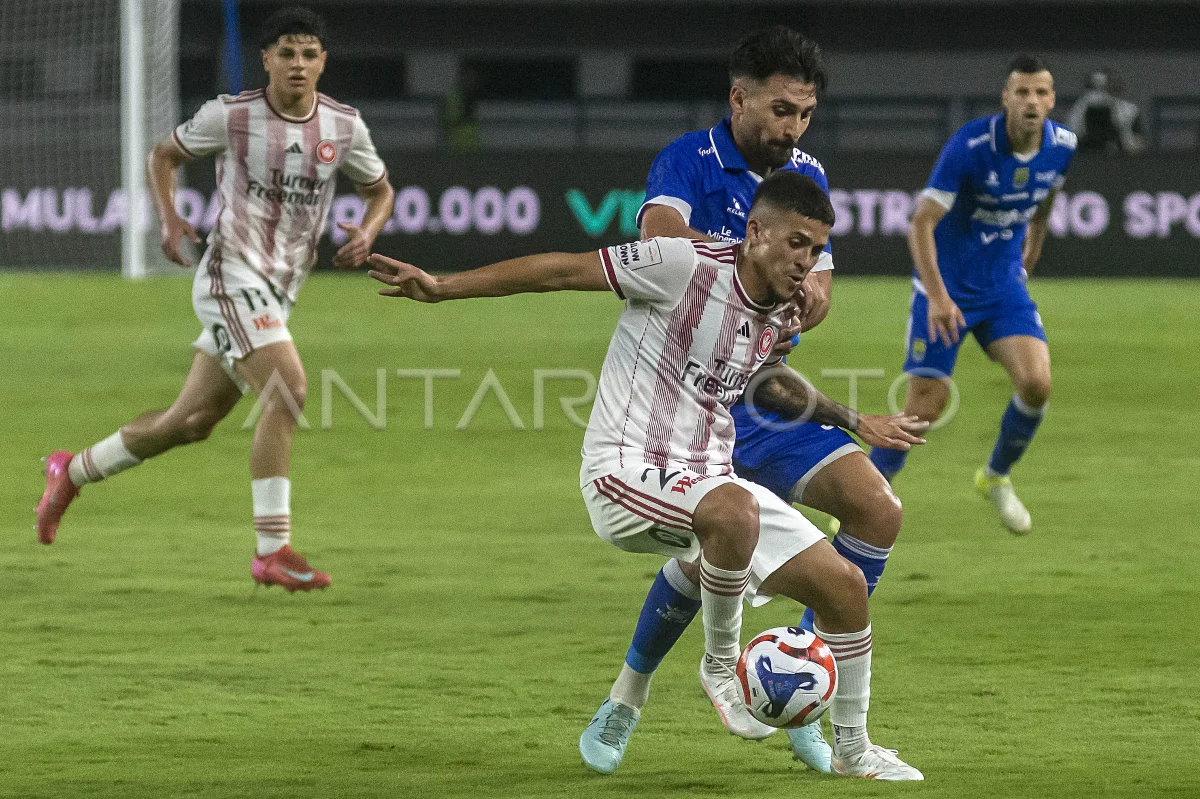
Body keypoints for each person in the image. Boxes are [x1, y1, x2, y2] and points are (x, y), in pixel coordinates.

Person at [369, 171, 924, 781]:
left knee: (844, 586)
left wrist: (851, 419)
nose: (807, 262)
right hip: (625, 468)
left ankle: (853, 749)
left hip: (708, 477)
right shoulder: (680, 264)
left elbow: (763, 381)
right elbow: (561, 271)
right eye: (796, 243)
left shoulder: (774, 313)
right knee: (730, 515)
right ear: (755, 231)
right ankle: (721, 668)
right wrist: (442, 287)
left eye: (816, 250)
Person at [579, 26, 918, 773]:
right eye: (781, 110)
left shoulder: (806, 172)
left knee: (877, 510)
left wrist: (809, 298)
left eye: (805, 114)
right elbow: (665, 248)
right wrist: (751, 276)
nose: (793, 129)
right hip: (692, 397)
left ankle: (797, 683)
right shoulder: (688, 161)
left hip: (764, 389)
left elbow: (820, 283)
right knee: (716, 539)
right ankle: (627, 697)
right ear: (739, 98)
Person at [34, 7, 396, 591]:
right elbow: (163, 155)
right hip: (229, 277)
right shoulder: (231, 116)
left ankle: (71, 472)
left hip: (279, 291)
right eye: (287, 53)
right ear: (267, 60)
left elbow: (380, 190)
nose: (298, 64)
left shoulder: (343, 126)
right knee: (288, 390)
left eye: (309, 54)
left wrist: (369, 232)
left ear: (323, 61)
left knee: (190, 422)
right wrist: (170, 217)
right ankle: (272, 551)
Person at [869, 55, 1077, 534]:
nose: (1031, 101)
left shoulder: (1063, 145)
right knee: (925, 408)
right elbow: (921, 223)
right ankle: (865, 498)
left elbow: (1046, 197)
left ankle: (995, 476)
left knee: (1037, 383)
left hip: (1002, 286)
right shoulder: (970, 145)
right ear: (1005, 98)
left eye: (1040, 92)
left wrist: (1032, 250)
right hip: (947, 287)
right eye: (1021, 92)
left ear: (1052, 100)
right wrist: (939, 298)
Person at [1067, 70, 1145, 155]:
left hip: (1121, 155)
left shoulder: (1130, 109)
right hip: (1088, 153)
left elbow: (1137, 140)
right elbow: (1073, 131)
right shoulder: (1083, 105)